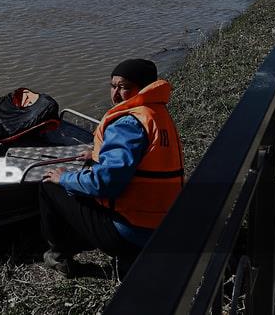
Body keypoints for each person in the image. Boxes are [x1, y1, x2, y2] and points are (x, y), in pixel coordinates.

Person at [38, 58, 185, 277]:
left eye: (124, 87)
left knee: (50, 186)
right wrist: (96, 155)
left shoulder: (128, 123)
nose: (115, 94)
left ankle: (59, 257)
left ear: (143, 88)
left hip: (131, 232)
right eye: (113, 86)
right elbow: (140, 159)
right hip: (162, 223)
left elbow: (105, 183)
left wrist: (64, 178)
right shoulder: (155, 113)